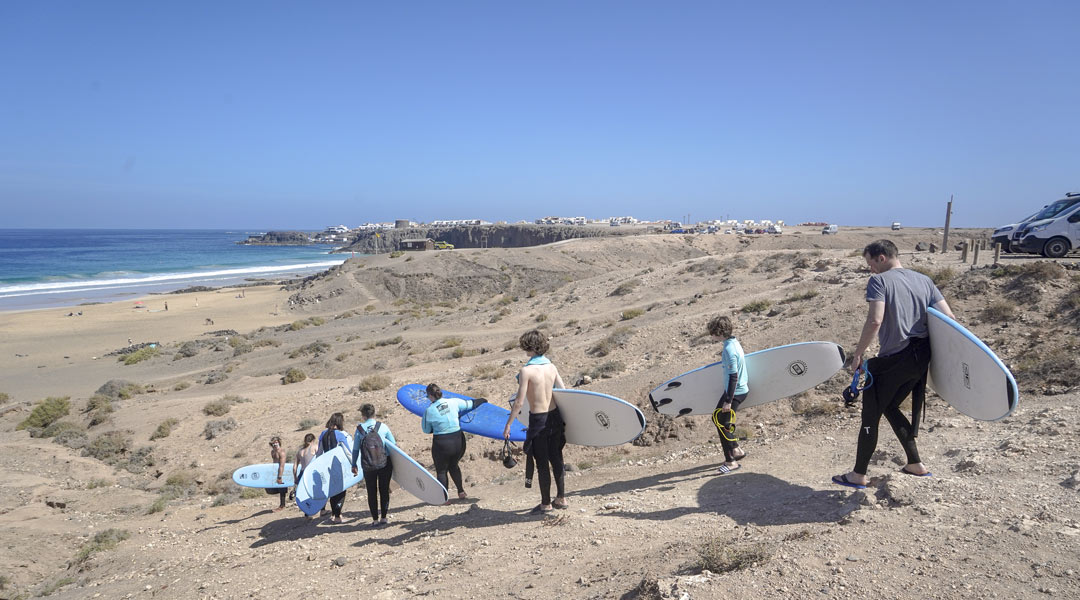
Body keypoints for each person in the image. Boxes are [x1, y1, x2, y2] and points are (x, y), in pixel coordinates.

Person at [833, 239, 956, 489]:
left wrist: (858, 355)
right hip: (921, 357)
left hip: (895, 358)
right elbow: (949, 317)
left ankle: (858, 474)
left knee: (870, 415)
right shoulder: (925, 280)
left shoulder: (879, 281)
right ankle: (915, 464)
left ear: (881, 258)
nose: (870, 270)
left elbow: (875, 320)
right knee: (889, 406)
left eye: (870, 263)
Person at [504, 329, 567, 514]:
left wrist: (509, 424)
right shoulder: (552, 367)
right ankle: (561, 498)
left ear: (529, 346)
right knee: (557, 458)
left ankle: (546, 504)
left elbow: (519, 402)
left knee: (541, 462)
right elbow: (564, 392)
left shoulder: (527, 371)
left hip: (539, 420)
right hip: (555, 417)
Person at [422, 383, 486, 502]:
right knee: (453, 465)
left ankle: (444, 499)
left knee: (441, 470)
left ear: (430, 396)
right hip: (458, 442)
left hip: (442, 444)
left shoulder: (429, 411)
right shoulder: (454, 402)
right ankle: (461, 491)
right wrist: (483, 400)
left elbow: (426, 430)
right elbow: (471, 404)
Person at [707, 316, 749, 475]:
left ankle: (730, 461)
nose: (711, 335)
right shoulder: (733, 343)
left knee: (722, 423)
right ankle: (736, 450)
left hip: (735, 392)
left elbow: (733, 376)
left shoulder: (729, 350)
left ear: (718, 332)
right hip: (736, 390)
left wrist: (728, 401)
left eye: (712, 332)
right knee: (717, 419)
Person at [351, 403, 396, 526]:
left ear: (363, 415)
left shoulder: (359, 429)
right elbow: (393, 444)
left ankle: (375, 520)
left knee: (371, 492)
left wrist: (353, 464)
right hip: (384, 463)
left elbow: (355, 449)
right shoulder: (383, 426)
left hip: (368, 465)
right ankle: (384, 518)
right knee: (384, 490)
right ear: (374, 413)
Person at [316, 412, 352, 523]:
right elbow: (348, 452)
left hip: (326, 466)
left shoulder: (323, 434)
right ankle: (337, 516)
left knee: (332, 492)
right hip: (337, 466)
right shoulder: (339, 434)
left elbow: (319, 453)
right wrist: (354, 464)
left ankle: (333, 514)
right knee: (341, 491)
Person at [267, 436, 287, 512]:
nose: (275, 444)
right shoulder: (272, 452)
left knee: (282, 488)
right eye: (273, 443)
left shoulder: (281, 452)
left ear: (279, 442)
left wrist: (279, 477)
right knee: (272, 489)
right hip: (275, 471)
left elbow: (282, 465)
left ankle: (282, 505)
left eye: (276, 442)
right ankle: (283, 503)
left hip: (282, 472)